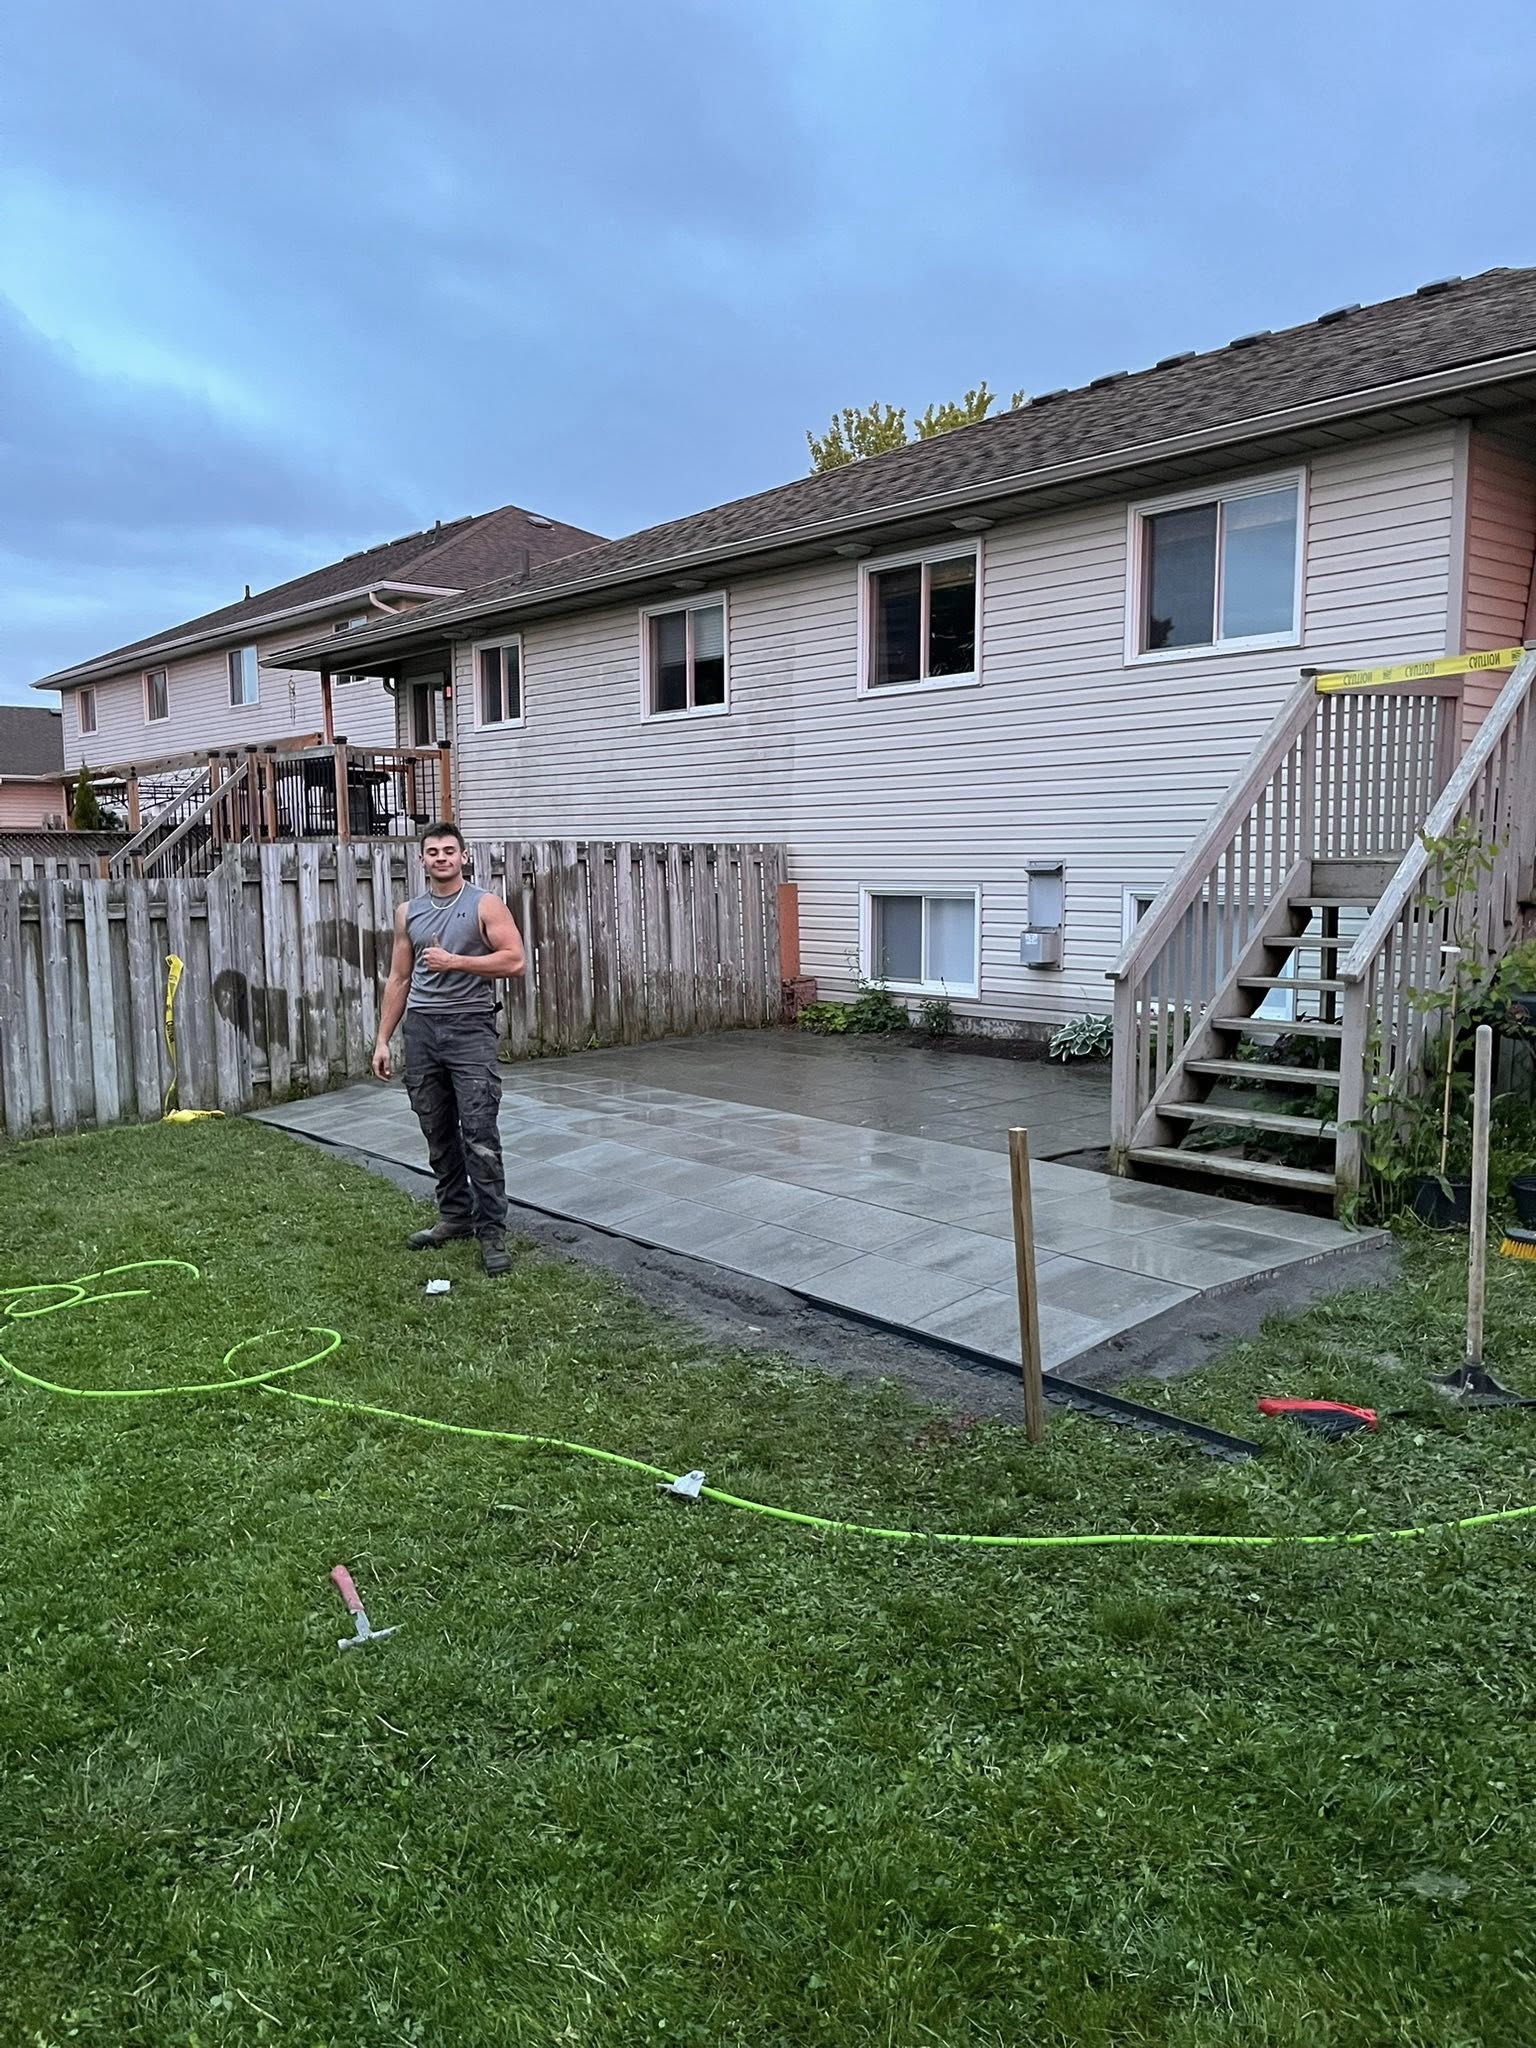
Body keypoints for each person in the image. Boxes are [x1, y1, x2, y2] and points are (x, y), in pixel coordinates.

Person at [372, 821, 526, 1275]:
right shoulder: (408, 912)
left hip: (469, 1029)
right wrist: (382, 1039)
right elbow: (399, 977)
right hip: (422, 1030)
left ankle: (492, 1231)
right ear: (422, 859)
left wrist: (455, 961)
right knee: (436, 1129)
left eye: (449, 851)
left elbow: (515, 961)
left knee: (479, 1132)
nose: (441, 858)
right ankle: (455, 1215)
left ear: (463, 857)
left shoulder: (484, 904)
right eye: (433, 852)